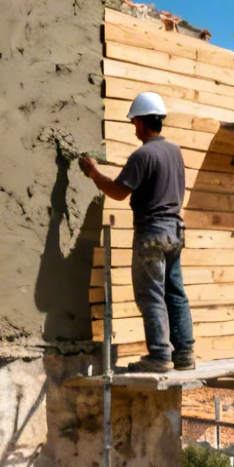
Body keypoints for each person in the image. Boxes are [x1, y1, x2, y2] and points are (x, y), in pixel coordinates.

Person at [79, 92, 195, 372]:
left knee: (151, 293)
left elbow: (119, 192)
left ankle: (159, 356)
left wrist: (94, 174)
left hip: (152, 232)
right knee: (175, 292)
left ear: (142, 123)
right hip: (175, 231)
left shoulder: (142, 155)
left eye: (134, 123)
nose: (134, 129)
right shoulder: (175, 151)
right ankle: (185, 353)